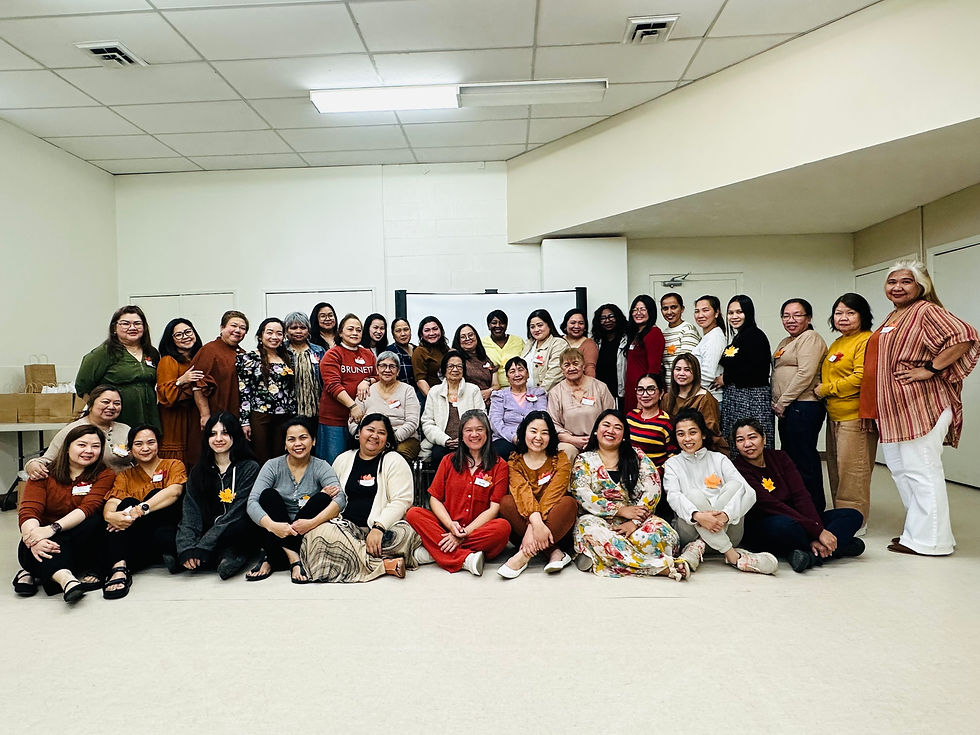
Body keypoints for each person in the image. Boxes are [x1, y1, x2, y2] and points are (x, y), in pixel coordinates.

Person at [859, 259, 978, 556]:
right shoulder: (896, 315)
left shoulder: (926, 310)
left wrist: (931, 368)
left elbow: (965, 336)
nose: (897, 287)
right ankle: (917, 533)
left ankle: (933, 541)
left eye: (906, 281)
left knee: (922, 471)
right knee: (902, 471)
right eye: (892, 282)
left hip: (921, 405)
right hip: (897, 410)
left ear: (921, 285)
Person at [572, 410, 702, 580]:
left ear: (624, 435)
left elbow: (652, 487)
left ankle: (602, 558)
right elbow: (582, 494)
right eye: (606, 425)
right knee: (594, 536)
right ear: (596, 430)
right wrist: (619, 510)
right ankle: (662, 567)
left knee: (661, 535)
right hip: (598, 520)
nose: (611, 430)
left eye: (617, 427)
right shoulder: (584, 460)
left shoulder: (637, 456)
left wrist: (634, 521)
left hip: (637, 518)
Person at [732, 419, 864, 573]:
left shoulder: (780, 457)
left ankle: (808, 556)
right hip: (767, 525)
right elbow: (770, 505)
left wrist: (817, 529)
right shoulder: (738, 468)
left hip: (800, 521)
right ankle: (840, 547)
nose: (747, 444)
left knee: (853, 515)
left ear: (764, 438)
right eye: (740, 440)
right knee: (785, 526)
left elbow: (801, 496)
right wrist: (817, 532)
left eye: (752, 437)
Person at [302, 414, 421, 582]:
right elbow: (333, 497)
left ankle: (349, 557)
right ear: (359, 432)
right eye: (370, 430)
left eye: (381, 432)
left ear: (387, 439)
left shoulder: (394, 460)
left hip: (382, 532)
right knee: (317, 535)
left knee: (404, 534)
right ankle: (384, 565)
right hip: (346, 529)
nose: (374, 436)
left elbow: (401, 501)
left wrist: (378, 528)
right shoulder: (343, 459)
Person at [663, 408, 777, 574]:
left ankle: (698, 547)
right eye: (681, 434)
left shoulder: (719, 459)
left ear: (703, 434)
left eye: (692, 432)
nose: (687, 439)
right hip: (690, 531)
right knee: (693, 495)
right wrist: (699, 516)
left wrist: (725, 516)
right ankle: (733, 556)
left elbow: (750, 493)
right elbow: (673, 497)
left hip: (729, 529)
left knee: (735, 487)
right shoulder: (674, 464)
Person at [14, 424, 113, 603]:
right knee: (27, 542)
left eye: (95, 446)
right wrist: (34, 537)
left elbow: (88, 508)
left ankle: (33, 572)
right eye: (81, 445)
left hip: (80, 538)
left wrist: (52, 529)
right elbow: (29, 509)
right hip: (47, 538)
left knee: (94, 521)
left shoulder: (104, 475)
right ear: (67, 447)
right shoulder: (43, 473)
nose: (89, 451)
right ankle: (67, 580)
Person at [405, 410, 510, 576]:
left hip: (477, 531)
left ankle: (436, 551)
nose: (474, 434)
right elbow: (435, 499)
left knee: (503, 528)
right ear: (461, 434)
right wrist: (450, 526)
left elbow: (494, 508)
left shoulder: (500, 465)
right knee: (413, 513)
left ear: (488, 433)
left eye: (479, 429)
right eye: (468, 430)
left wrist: (463, 534)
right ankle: (465, 558)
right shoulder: (448, 461)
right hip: (447, 525)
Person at [246, 417, 346, 583]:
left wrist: (312, 522)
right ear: (285, 444)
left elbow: (341, 499)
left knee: (322, 498)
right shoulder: (272, 466)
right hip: (274, 531)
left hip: (304, 531)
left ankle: (270, 558)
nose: (297, 444)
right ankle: (293, 557)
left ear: (313, 441)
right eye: (291, 439)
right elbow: (252, 502)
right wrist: (273, 526)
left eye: (303, 437)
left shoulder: (321, 466)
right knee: (268, 496)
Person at [813, 293, 876, 530]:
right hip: (835, 415)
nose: (844, 318)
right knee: (837, 471)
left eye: (850, 313)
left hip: (855, 416)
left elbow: (861, 377)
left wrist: (826, 389)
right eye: (839, 313)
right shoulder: (838, 342)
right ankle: (842, 518)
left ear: (862, 316)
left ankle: (856, 522)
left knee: (854, 473)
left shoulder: (866, 340)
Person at [101, 424, 185, 600]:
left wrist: (141, 509)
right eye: (138, 444)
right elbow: (113, 501)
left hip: (168, 526)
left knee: (153, 496)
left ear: (158, 444)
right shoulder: (125, 476)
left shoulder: (173, 465)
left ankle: (121, 563)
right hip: (141, 534)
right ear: (130, 448)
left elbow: (174, 492)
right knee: (125, 505)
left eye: (150, 442)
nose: (145, 448)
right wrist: (111, 516)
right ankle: (119, 568)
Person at [176, 413, 260, 579]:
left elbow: (237, 511)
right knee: (166, 533)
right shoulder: (198, 471)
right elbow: (190, 510)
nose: (218, 439)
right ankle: (195, 557)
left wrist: (204, 545)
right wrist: (187, 547)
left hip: (233, 529)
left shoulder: (249, 468)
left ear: (235, 435)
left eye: (225, 433)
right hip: (207, 529)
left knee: (240, 528)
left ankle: (228, 557)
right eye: (213, 434)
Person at [497, 411, 577, 578]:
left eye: (545, 432)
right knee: (506, 502)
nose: (538, 437)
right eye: (533, 431)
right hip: (525, 525)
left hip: (555, 526)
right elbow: (522, 493)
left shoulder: (560, 459)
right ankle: (553, 552)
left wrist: (534, 527)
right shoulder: (514, 461)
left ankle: (524, 555)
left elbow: (553, 495)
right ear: (524, 432)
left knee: (568, 502)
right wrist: (535, 524)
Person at [771, 298, 828, 511]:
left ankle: (814, 507)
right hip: (787, 408)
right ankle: (797, 503)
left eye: (797, 315)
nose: (791, 320)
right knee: (790, 458)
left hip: (803, 406)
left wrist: (783, 402)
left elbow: (806, 373)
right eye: (786, 316)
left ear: (809, 318)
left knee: (804, 459)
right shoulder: (786, 341)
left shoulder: (810, 337)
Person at [75, 305, 160, 429]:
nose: (132, 328)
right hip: (115, 421)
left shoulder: (152, 353)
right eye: (125, 324)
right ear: (115, 327)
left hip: (148, 419)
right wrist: (101, 414)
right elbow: (82, 387)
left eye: (137, 323)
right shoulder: (103, 353)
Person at [24, 385, 133, 478]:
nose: (111, 407)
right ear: (91, 405)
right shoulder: (74, 429)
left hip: (126, 485)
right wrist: (32, 465)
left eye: (117, 403)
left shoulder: (126, 429)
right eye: (106, 402)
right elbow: (47, 460)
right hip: (91, 487)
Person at [716, 295, 773, 451]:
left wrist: (726, 378)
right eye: (730, 313)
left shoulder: (755, 335)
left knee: (751, 444)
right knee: (737, 444)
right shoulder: (739, 337)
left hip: (752, 399)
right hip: (737, 398)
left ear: (748, 313)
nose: (734, 317)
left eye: (739, 312)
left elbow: (755, 369)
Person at [237, 317, 297, 464]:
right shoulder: (248, 358)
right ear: (260, 335)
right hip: (260, 416)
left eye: (279, 333)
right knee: (261, 457)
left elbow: (292, 390)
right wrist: (244, 421)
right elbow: (244, 391)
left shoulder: (288, 357)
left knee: (281, 457)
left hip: (284, 416)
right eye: (269, 333)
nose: (274, 337)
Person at [318, 314, 376, 463]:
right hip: (335, 421)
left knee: (358, 463)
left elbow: (379, 376)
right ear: (340, 332)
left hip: (361, 421)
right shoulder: (332, 354)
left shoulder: (368, 354)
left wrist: (367, 380)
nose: (355, 333)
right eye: (350, 329)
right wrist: (353, 406)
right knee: (335, 463)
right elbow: (332, 385)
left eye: (358, 330)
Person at [349, 350, 421, 462]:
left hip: (402, 439)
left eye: (392, 366)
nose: (387, 370)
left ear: (398, 371)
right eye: (383, 366)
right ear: (377, 369)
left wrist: (390, 439)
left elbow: (412, 422)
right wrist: (362, 437)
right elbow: (353, 421)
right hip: (370, 438)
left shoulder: (408, 390)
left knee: (394, 457)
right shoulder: (366, 390)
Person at [547, 347, 615, 461]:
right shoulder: (556, 392)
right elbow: (554, 423)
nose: (571, 368)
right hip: (570, 441)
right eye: (567, 365)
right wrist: (572, 440)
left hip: (599, 438)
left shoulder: (600, 387)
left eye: (575, 363)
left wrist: (596, 438)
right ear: (561, 369)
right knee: (565, 451)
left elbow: (612, 416)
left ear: (583, 366)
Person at [156, 318, 207, 466]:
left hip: (194, 416)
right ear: (171, 340)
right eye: (178, 335)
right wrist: (182, 380)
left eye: (188, 332)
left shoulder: (198, 358)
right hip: (175, 419)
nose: (185, 337)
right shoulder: (168, 360)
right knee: (177, 463)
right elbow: (165, 395)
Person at [420, 350, 485, 465]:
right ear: (444, 369)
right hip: (442, 442)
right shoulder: (434, 391)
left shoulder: (473, 390)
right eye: (451, 366)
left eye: (459, 366)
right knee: (438, 456)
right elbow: (427, 422)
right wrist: (445, 440)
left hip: (470, 441)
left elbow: (482, 418)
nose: (455, 370)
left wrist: (466, 438)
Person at [193, 310, 249, 427]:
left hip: (236, 416)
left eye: (242, 328)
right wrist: (205, 414)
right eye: (233, 325)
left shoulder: (244, 354)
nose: (238, 330)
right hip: (214, 416)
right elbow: (197, 384)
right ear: (222, 328)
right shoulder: (209, 350)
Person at [662, 353, 726, 452]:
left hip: (704, 451)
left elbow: (713, 435)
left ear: (695, 373)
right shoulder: (667, 397)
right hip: (676, 449)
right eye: (678, 369)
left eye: (687, 370)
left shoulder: (704, 398)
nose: (681, 373)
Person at [626, 373, 677, 491]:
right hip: (628, 474)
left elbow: (673, 457)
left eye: (651, 389)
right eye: (640, 390)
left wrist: (655, 474)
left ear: (661, 393)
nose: (645, 394)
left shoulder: (667, 422)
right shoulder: (630, 417)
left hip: (653, 481)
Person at [488, 356, 548, 457]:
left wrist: (529, 437)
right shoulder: (499, 396)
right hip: (505, 438)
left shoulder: (538, 393)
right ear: (507, 378)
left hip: (534, 437)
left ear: (528, 374)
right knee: (502, 451)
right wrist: (514, 437)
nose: (517, 374)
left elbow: (542, 417)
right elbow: (495, 422)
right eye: (512, 371)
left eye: (520, 370)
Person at [624, 295, 666, 413]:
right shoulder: (637, 333)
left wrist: (644, 395)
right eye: (635, 310)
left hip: (644, 392)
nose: (638, 313)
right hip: (634, 389)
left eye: (642, 309)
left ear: (651, 312)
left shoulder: (654, 333)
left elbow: (654, 368)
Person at [284, 311, 325, 420]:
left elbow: (325, 379)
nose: (298, 331)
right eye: (293, 328)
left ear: (308, 330)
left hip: (316, 409)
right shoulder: (281, 351)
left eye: (303, 327)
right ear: (286, 330)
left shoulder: (319, 351)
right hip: (288, 408)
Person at [660, 293, 701, 387]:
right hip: (668, 389)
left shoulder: (687, 330)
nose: (669, 312)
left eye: (673, 307)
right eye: (665, 308)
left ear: (682, 309)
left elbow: (688, 364)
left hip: (683, 389)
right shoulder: (663, 333)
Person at [691, 295, 727, 401]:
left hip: (710, 399)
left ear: (716, 313)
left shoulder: (715, 337)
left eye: (705, 310)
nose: (700, 315)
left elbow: (707, 375)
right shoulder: (708, 336)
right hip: (703, 397)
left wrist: (688, 392)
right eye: (697, 311)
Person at [452, 322, 499, 404]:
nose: (468, 338)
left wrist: (489, 391)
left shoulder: (485, 358)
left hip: (489, 403)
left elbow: (496, 385)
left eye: (470, 335)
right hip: (466, 403)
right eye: (463, 337)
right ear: (458, 341)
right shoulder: (455, 359)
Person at [521, 309, 567, 391]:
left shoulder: (558, 344)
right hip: (527, 394)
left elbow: (554, 375)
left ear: (549, 325)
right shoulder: (529, 344)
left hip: (548, 395)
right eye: (532, 327)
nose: (536, 329)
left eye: (540, 325)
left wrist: (538, 394)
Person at [591, 303, 628, 404]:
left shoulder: (627, 340)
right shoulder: (595, 342)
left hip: (621, 391)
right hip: (600, 392)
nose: (607, 321)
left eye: (611, 316)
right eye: (603, 318)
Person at [482, 310, 525, 388]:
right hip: (492, 389)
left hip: (518, 387)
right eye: (494, 323)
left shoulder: (518, 341)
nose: (498, 325)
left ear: (506, 325)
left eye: (501, 322)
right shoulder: (482, 343)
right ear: (488, 326)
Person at [412, 315, 449, 398]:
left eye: (435, 329)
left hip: (448, 395)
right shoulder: (420, 351)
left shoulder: (446, 349)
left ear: (441, 330)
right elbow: (420, 380)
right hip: (430, 397)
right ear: (421, 334)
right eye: (427, 330)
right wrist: (433, 399)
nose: (432, 333)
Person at [560, 308, 598, 377]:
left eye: (581, 323)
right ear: (565, 325)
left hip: (579, 385)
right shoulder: (557, 341)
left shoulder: (589, 344)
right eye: (573, 323)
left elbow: (589, 369)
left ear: (585, 327)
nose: (577, 326)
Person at [386, 317, 416, 387]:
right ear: (393, 334)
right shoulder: (389, 352)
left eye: (406, 329)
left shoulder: (417, 350)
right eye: (398, 331)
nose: (403, 334)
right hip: (400, 394)